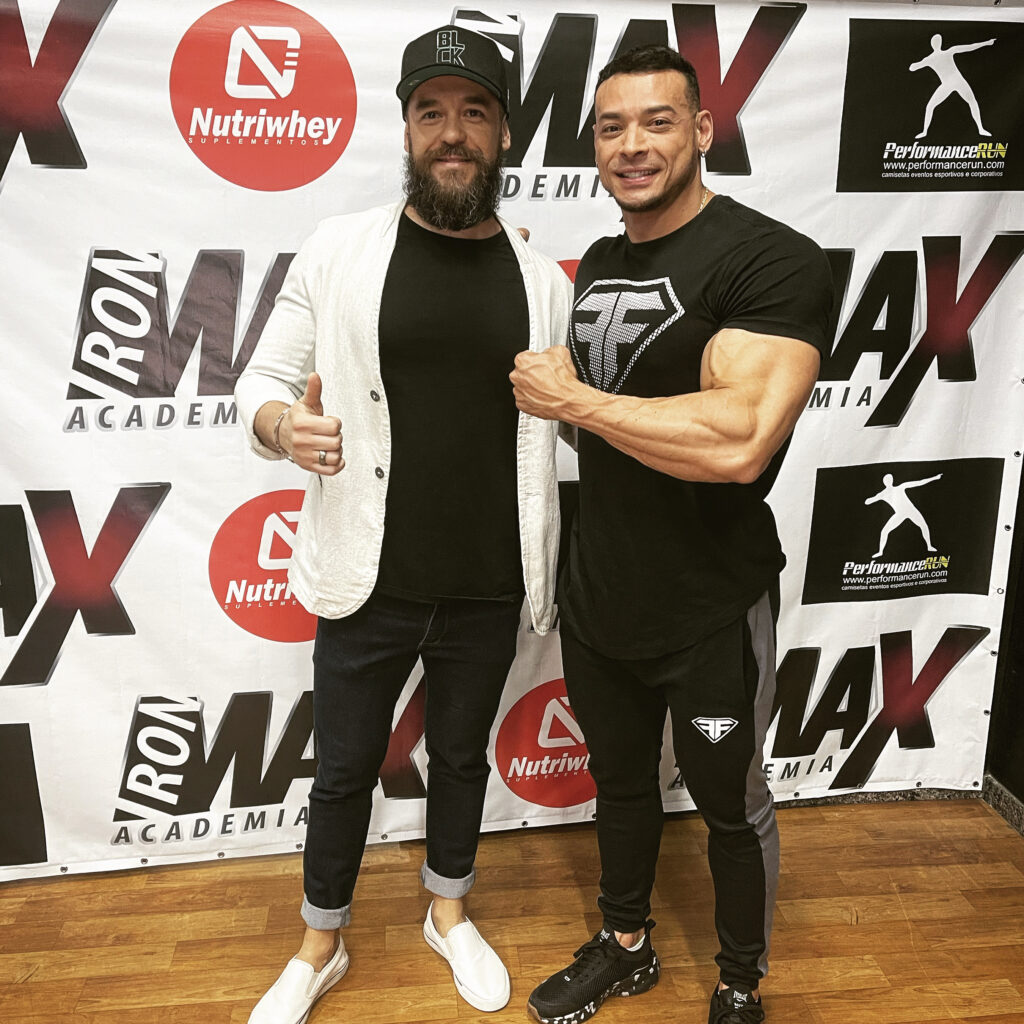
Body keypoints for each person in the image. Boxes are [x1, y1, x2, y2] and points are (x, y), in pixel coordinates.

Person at [235, 24, 570, 1024]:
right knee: (344, 769)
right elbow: (259, 381)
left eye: (474, 112)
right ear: (408, 127)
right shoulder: (339, 250)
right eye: (431, 112)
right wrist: (283, 427)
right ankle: (320, 943)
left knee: (461, 759)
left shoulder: (544, 281)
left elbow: (568, 417)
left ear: (503, 132)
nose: (451, 132)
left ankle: (447, 913)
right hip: (365, 575)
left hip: (490, 579)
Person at [509, 44, 833, 1024]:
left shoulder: (769, 259)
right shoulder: (605, 261)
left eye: (657, 122)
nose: (632, 145)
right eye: (611, 127)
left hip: (710, 605)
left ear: (701, 130)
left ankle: (738, 982)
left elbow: (738, 440)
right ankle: (625, 945)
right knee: (618, 785)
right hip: (603, 591)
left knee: (730, 801)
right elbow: (621, 413)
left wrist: (575, 401)